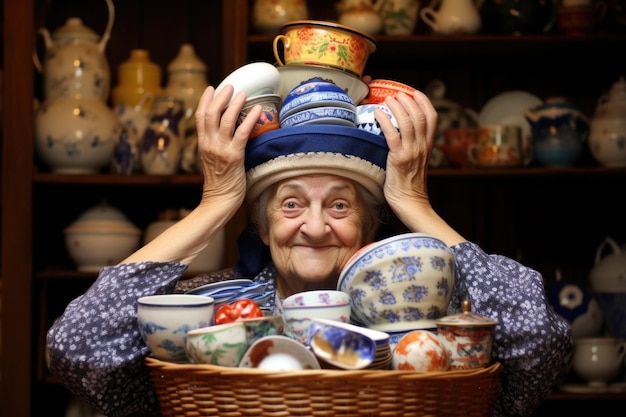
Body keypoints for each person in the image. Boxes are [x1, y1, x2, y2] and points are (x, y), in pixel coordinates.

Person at [47, 82, 572, 417]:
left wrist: (416, 203)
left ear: (371, 225)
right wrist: (214, 204)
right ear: (260, 221)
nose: (315, 228)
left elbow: (541, 344)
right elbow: (75, 348)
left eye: (340, 207)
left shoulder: (427, 324)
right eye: (291, 205)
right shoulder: (213, 314)